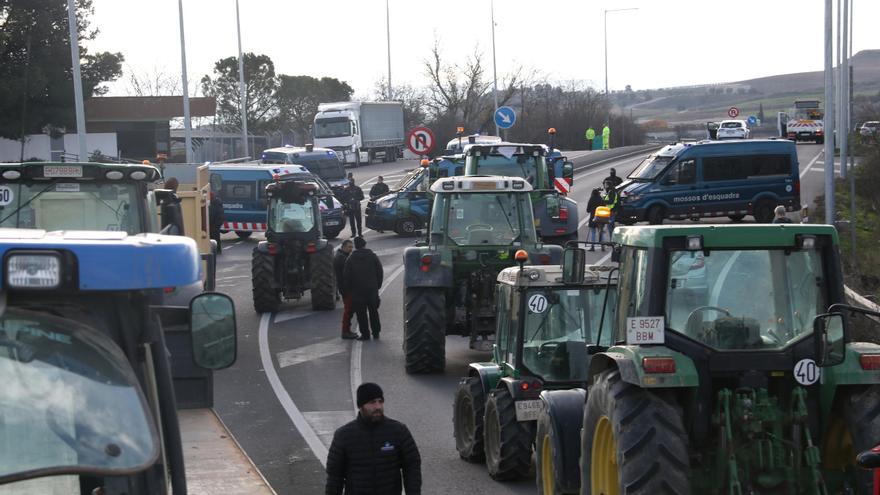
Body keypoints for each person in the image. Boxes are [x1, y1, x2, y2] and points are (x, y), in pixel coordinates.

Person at [325, 382, 421, 495]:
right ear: (361, 406)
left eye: (380, 401)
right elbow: (335, 477)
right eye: (372, 402)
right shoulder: (344, 435)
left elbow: (412, 467)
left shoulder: (398, 431)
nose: (378, 407)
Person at [343, 236, 383, 340]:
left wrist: (349, 290)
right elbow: (380, 272)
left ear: (355, 246)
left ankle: (365, 334)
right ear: (365, 244)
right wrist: (377, 286)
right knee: (374, 312)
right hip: (371, 290)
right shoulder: (373, 256)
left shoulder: (350, 259)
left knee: (361, 314)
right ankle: (376, 332)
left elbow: (346, 276)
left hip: (357, 291)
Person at [334, 239, 358, 339]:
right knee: (348, 310)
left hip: (345, 288)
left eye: (352, 247)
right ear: (343, 247)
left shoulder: (342, 256)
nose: (351, 249)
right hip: (346, 289)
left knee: (350, 310)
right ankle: (345, 331)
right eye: (349, 247)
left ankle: (347, 330)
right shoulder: (341, 258)